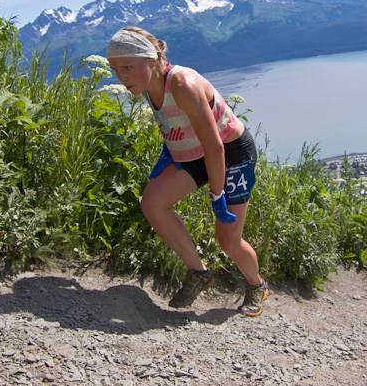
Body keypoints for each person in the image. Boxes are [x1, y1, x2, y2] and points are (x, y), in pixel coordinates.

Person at [106, 26, 270, 317]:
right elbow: (176, 124)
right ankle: (199, 273)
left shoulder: (182, 84)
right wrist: (169, 152)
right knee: (153, 203)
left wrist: (217, 194)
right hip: (194, 153)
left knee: (227, 238)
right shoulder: (145, 85)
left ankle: (257, 285)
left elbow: (216, 147)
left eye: (128, 68)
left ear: (152, 60)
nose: (122, 77)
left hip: (230, 153)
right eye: (116, 70)